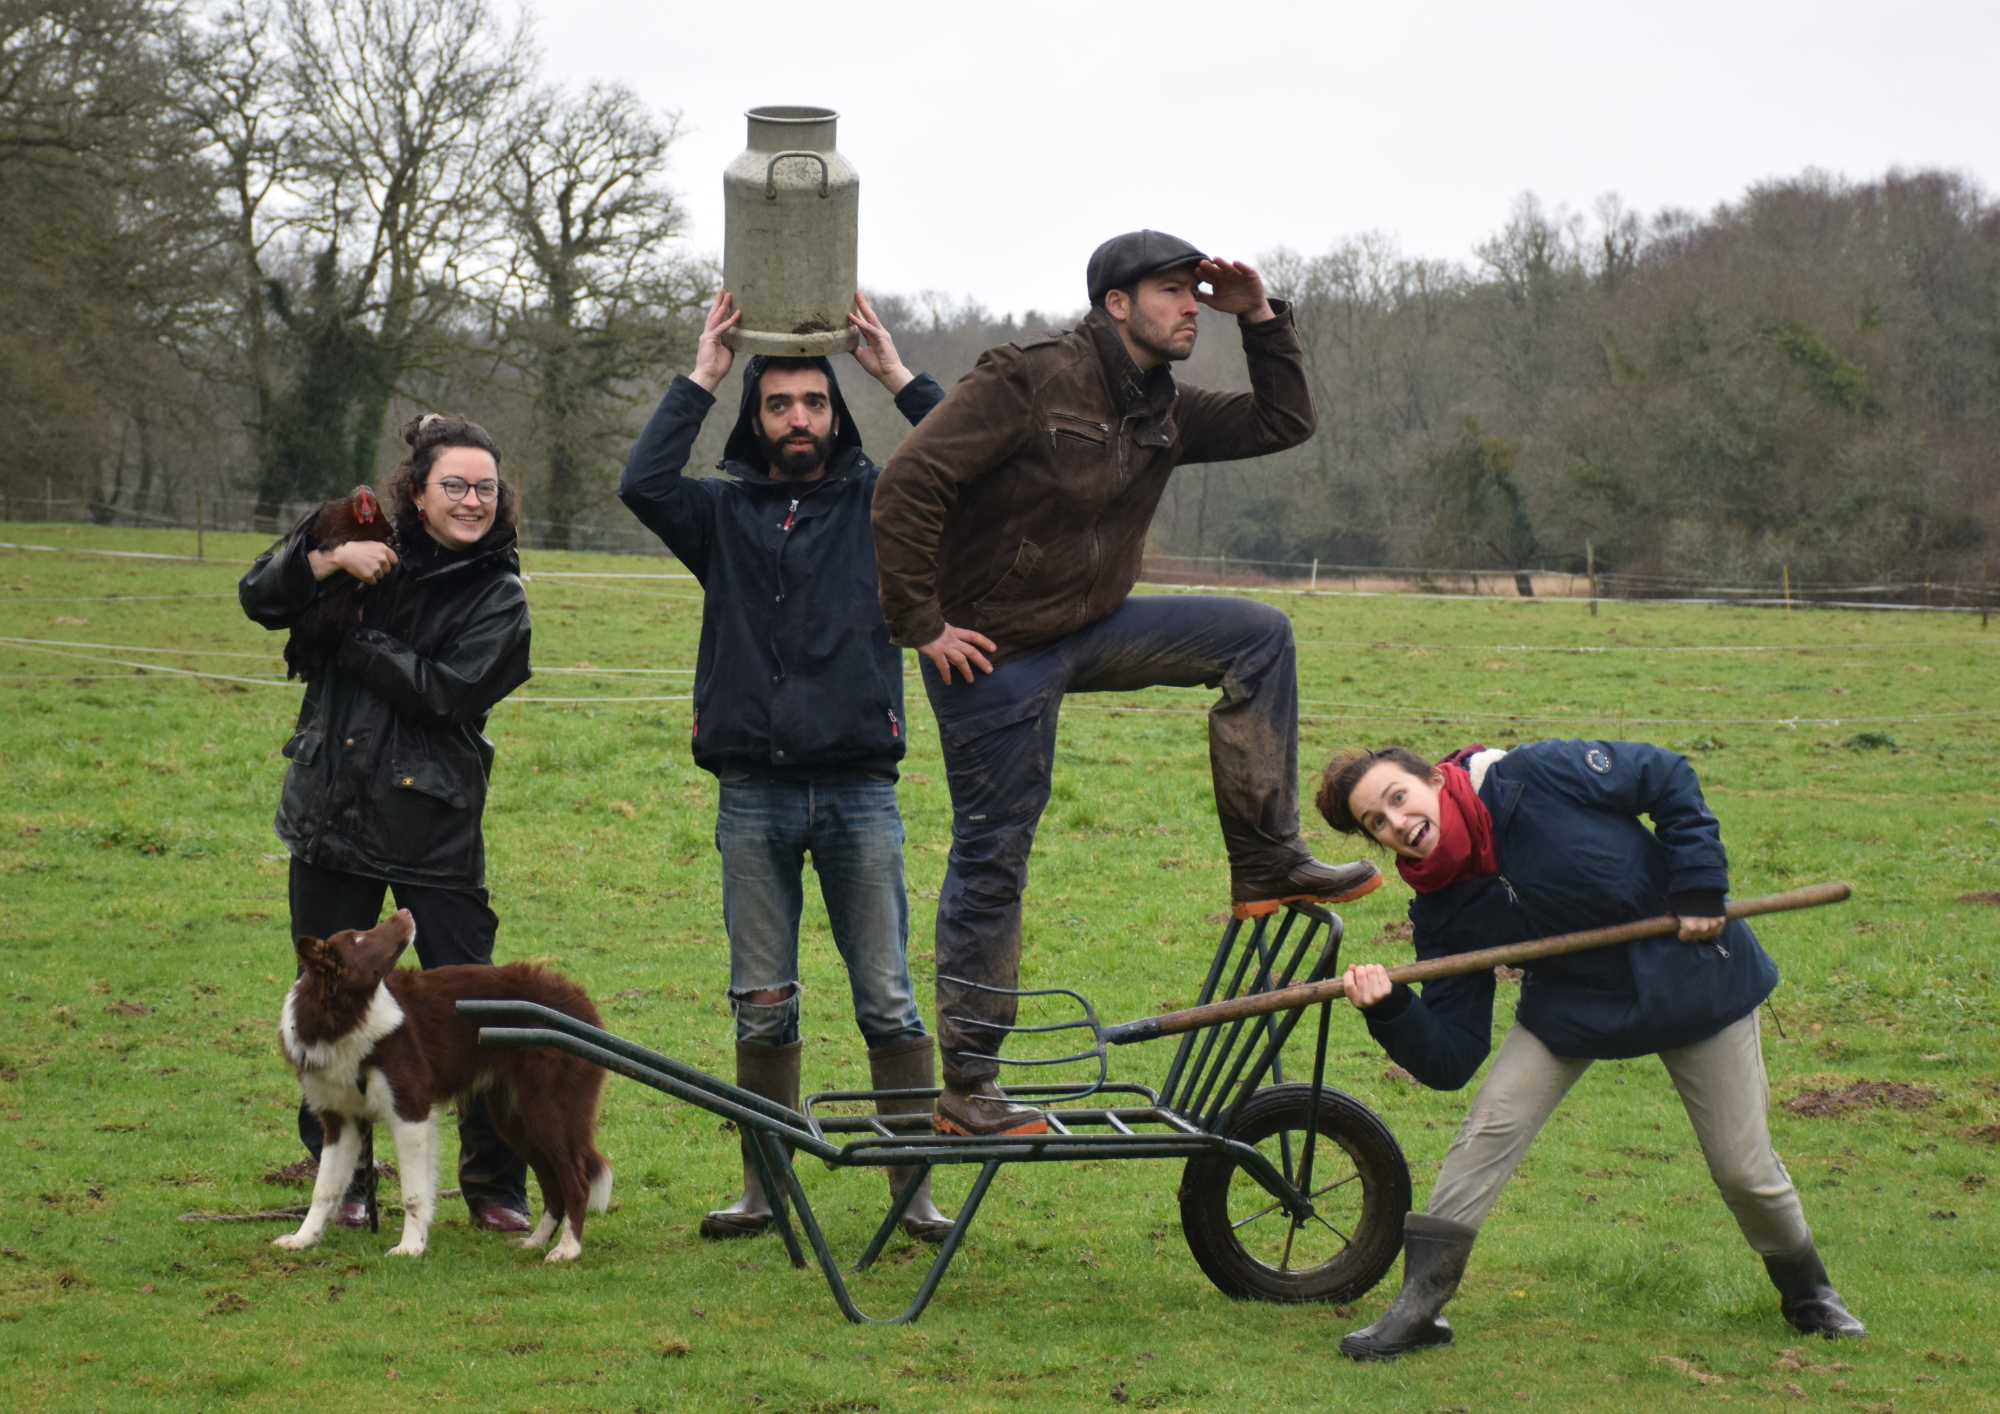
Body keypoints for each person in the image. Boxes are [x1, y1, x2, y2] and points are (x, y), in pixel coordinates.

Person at [870, 230, 1382, 1138]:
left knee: (1259, 637)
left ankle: (1268, 857)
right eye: (1172, 291)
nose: (1192, 307)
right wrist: (923, 623)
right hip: (992, 651)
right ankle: (971, 1088)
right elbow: (908, 484)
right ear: (1117, 303)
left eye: (1196, 291)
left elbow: (1285, 422)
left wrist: (1261, 317)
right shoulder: (1027, 378)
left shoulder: (1165, 408)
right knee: (995, 856)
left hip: (1091, 627)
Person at [1316, 739, 1867, 1358]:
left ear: (1435, 781)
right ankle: (1419, 1307)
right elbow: (1451, 1058)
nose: (1398, 822)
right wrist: (1391, 1008)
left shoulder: (1532, 776)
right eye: (1377, 822)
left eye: (1399, 798)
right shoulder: (1442, 906)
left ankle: (1809, 1294)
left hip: (1694, 980)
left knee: (1743, 1168)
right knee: (1488, 1128)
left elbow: (1665, 775)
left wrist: (1699, 882)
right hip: (1573, 1006)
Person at [618, 290, 953, 1242]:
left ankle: (913, 1192)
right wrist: (702, 375)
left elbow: (972, 466)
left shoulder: (883, 503)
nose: (798, 418)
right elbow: (643, 483)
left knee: (887, 996)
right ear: (755, 417)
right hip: (752, 794)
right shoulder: (718, 512)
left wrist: (896, 374)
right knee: (762, 1005)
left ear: (836, 411)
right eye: (779, 405)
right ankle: (763, 1190)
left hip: (860, 791)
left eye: (813, 402)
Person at [239, 413, 535, 1234]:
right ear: (418, 492)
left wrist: (354, 634)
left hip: (434, 824)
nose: (472, 501)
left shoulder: (499, 594)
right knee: (330, 996)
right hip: (331, 809)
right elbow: (259, 596)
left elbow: (445, 693)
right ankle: (344, 1181)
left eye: (485, 488)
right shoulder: (360, 544)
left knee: (473, 1003)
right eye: (455, 485)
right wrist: (328, 562)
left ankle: (496, 1184)